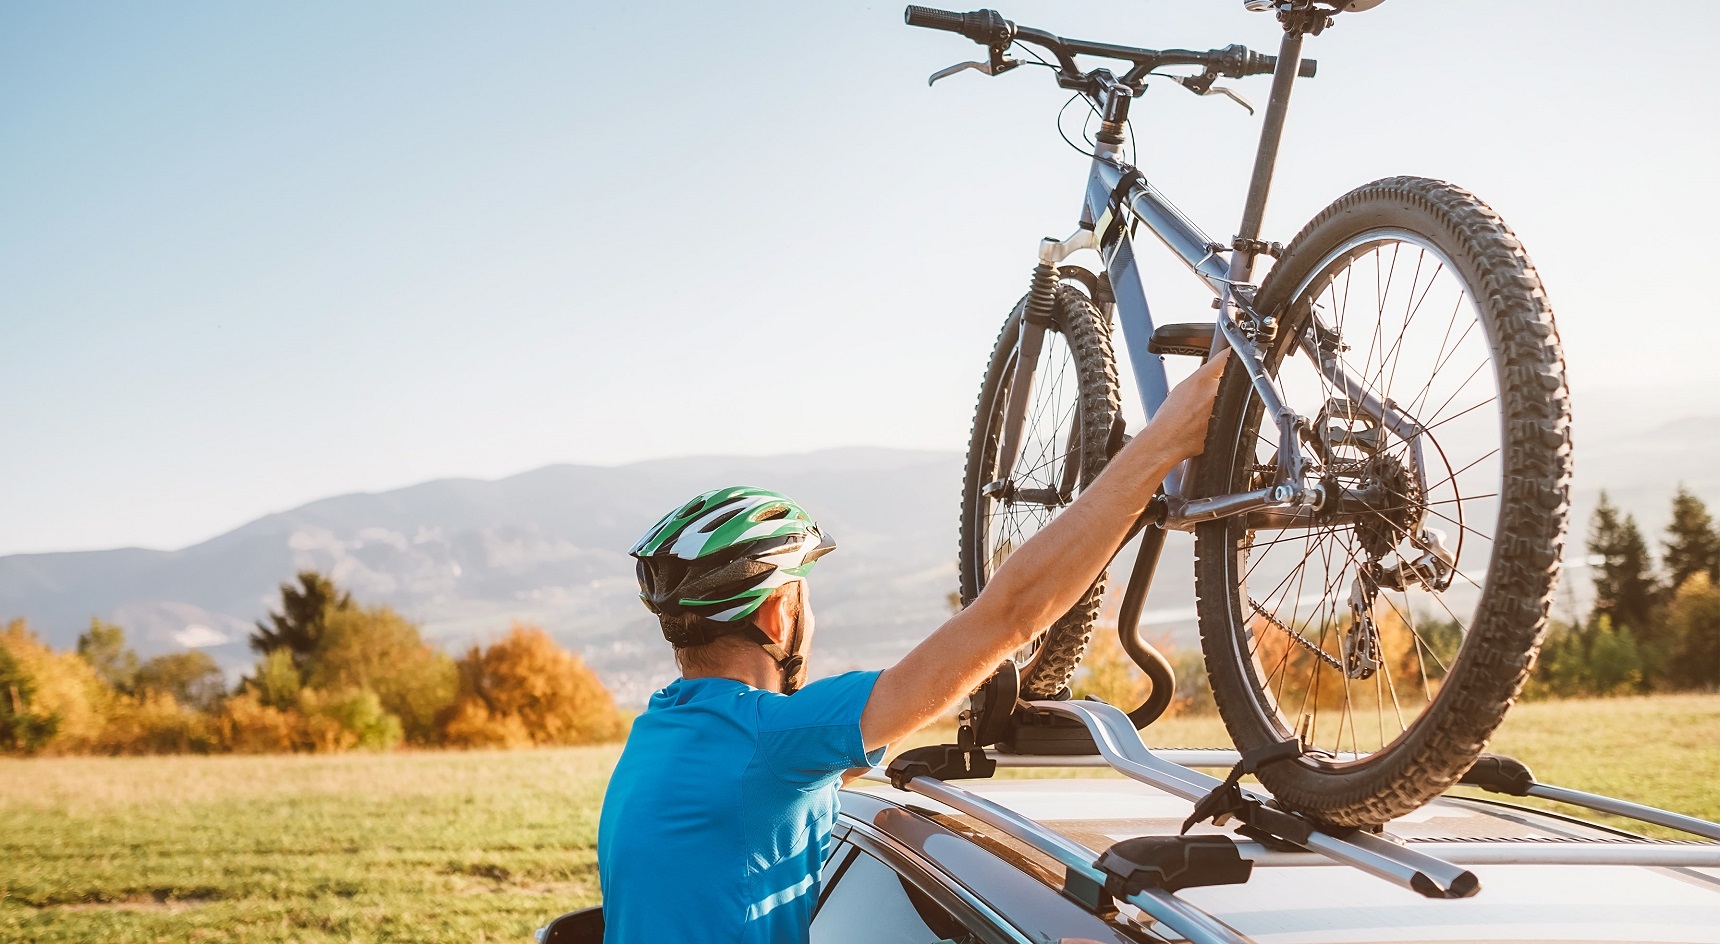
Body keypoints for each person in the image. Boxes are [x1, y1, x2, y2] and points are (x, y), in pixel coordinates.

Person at [597, 351, 1229, 944]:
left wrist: (983, 680)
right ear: (778, 609)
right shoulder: (773, 741)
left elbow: (846, 756)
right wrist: (1166, 437)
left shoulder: (664, 734)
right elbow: (1006, 614)